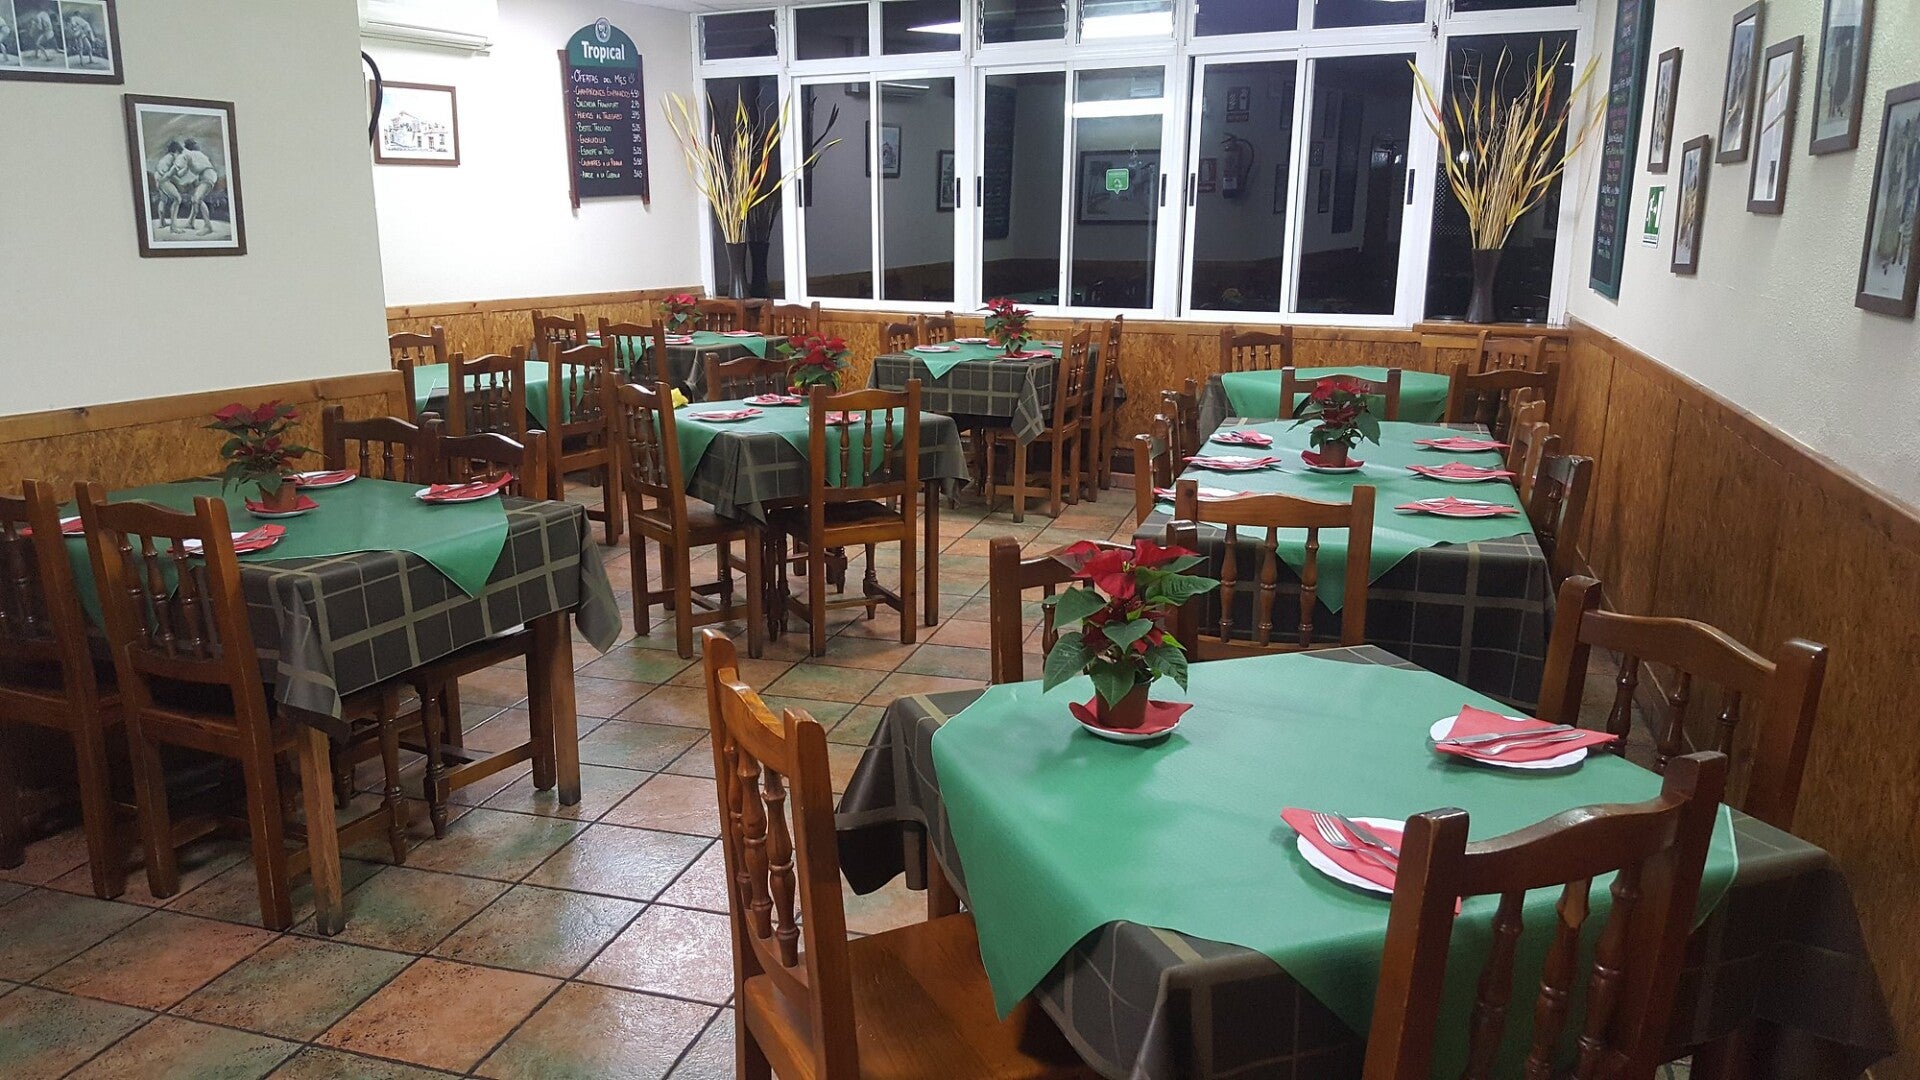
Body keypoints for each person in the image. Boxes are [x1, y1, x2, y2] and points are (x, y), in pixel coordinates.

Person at [178, 137, 221, 235]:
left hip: (207, 175)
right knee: (195, 199)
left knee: (197, 199)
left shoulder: (191, 154)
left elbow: (196, 170)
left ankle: (208, 226)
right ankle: (190, 222)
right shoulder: (200, 155)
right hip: (207, 175)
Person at [152, 139, 185, 234]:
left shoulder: (165, 158)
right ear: (176, 151)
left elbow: (161, 170)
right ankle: (173, 227)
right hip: (163, 180)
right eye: (179, 152)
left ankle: (162, 222)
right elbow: (172, 172)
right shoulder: (172, 157)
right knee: (177, 199)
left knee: (163, 200)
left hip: (158, 178)